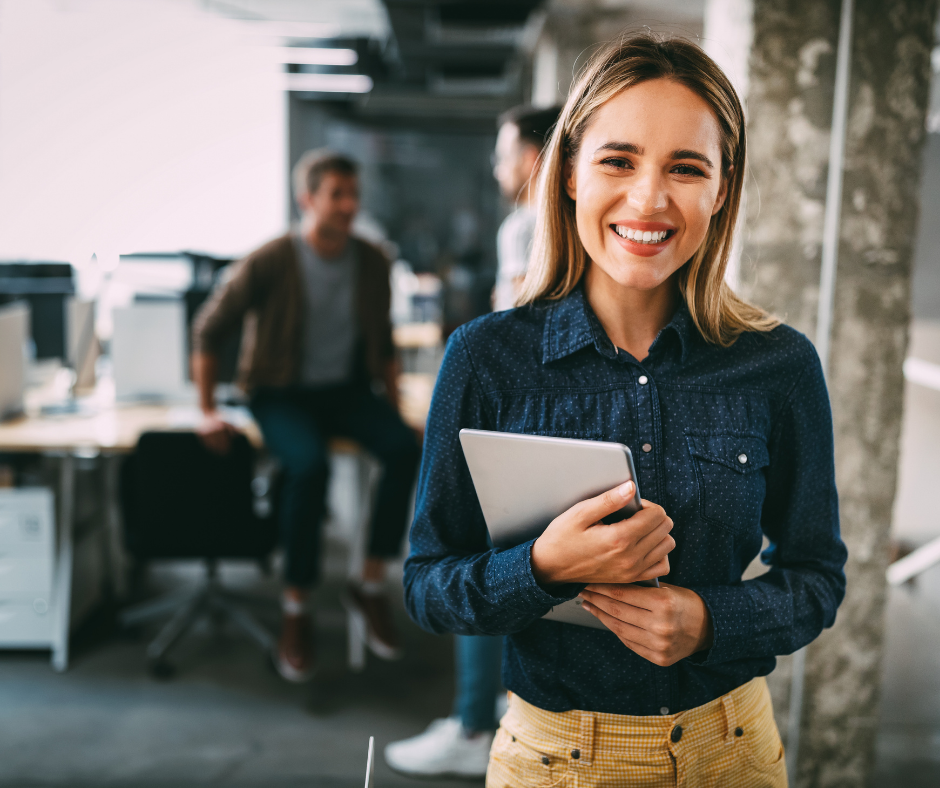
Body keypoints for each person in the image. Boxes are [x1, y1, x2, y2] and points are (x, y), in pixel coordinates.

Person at [403, 34, 847, 787]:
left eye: (686, 168)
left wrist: (712, 622)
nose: (649, 199)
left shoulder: (778, 364)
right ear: (571, 171)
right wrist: (541, 568)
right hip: (553, 758)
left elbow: (816, 576)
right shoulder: (485, 358)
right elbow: (427, 586)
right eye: (619, 159)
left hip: (733, 752)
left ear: (721, 189)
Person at [192, 149, 421, 683]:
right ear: (307, 199)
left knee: (405, 448)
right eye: (337, 194)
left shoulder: (371, 260)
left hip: (344, 390)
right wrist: (206, 410)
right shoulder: (271, 258)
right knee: (308, 466)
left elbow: (383, 344)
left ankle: (367, 586)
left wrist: (393, 411)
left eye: (353, 195)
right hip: (279, 392)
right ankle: (296, 607)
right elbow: (209, 330)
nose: (349, 205)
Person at [384, 103, 561, 780]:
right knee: (527, 571)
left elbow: (514, 328)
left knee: (479, 562)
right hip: (537, 414)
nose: (497, 166)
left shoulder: (527, 225)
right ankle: (493, 716)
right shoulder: (562, 224)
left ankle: (474, 724)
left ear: (538, 157)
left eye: (505, 152)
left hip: (516, 416)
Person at [491, 105, 562, 312]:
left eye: (503, 158)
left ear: (530, 159)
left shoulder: (520, 228)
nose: (498, 171)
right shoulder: (572, 221)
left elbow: (522, 313)